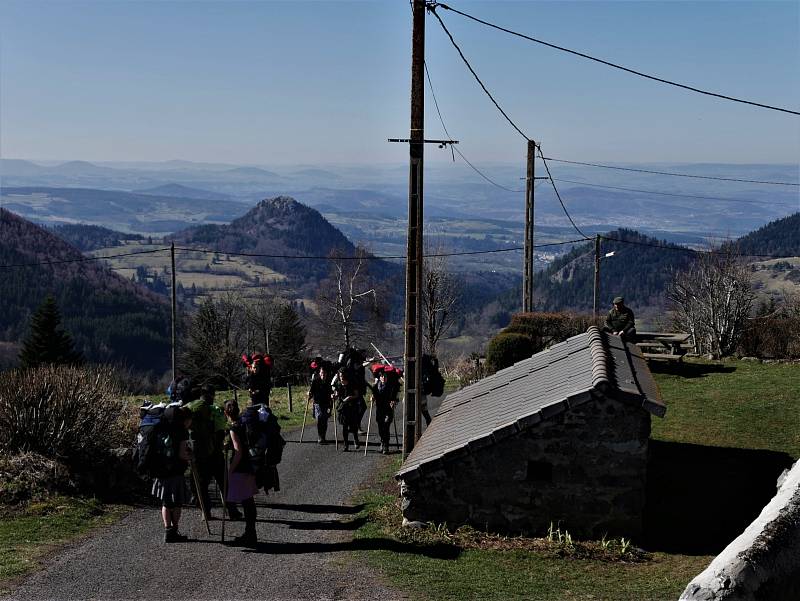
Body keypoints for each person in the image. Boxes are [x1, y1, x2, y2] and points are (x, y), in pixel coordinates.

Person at [186, 385, 241, 521]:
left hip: (199, 456)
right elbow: (222, 433)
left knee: (201, 485)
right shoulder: (217, 412)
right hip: (216, 455)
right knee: (224, 483)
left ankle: (206, 512)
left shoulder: (192, 411)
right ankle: (232, 510)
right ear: (212, 396)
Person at [151, 405, 192, 543]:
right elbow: (182, 454)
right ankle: (174, 530)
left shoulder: (160, 427)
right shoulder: (181, 431)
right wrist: (190, 456)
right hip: (176, 470)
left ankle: (167, 530)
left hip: (160, 469)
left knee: (166, 502)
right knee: (177, 502)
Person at [223, 400, 259, 547]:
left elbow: (238, 451)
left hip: (241, 467)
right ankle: (251, 532)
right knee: (249, 501)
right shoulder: (245, 423)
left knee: (245, 501)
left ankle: (250, 535)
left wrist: (231, 469)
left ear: (226, 413)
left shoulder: (234, 428)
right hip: (251, 464)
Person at [368, 366, 400, 454]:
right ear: (379, 377)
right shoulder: (375, 387)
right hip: (379, 410)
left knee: (386, 426)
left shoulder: (392, 387)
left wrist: (394, 402)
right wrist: (372, 398)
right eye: (382, 376)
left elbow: (396, 397)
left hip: (388, 410)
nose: (383, 378)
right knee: (380, 428)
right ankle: (382, 441)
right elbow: (373, 395)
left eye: (385, 376)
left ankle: (386, 445)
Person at [334, 369, 365, 452]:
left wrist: (349, 398)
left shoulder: (352, 383)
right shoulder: (338, 384)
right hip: (342, 407)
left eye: (342, 376)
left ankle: (355, 440)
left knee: (353, 425)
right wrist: (334, 396)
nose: (341, 378)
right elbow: (337, 394)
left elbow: (356, 395)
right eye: (340, 376)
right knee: (344, 426)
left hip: (352, 407)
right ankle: (346, 444)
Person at [308, 364, 333, 444]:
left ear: (327, 373)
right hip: (317, 403)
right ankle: (320, 437)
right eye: (322, 373)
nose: (323, 374)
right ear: (319, 373)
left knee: (324, 420)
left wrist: (333, 395)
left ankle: (323, 436)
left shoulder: (329, 381)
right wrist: (309, 394)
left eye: (324, 373)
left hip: (327, 402)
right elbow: (311, 391)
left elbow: (332, 391)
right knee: (320, 418)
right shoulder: (315, 381)